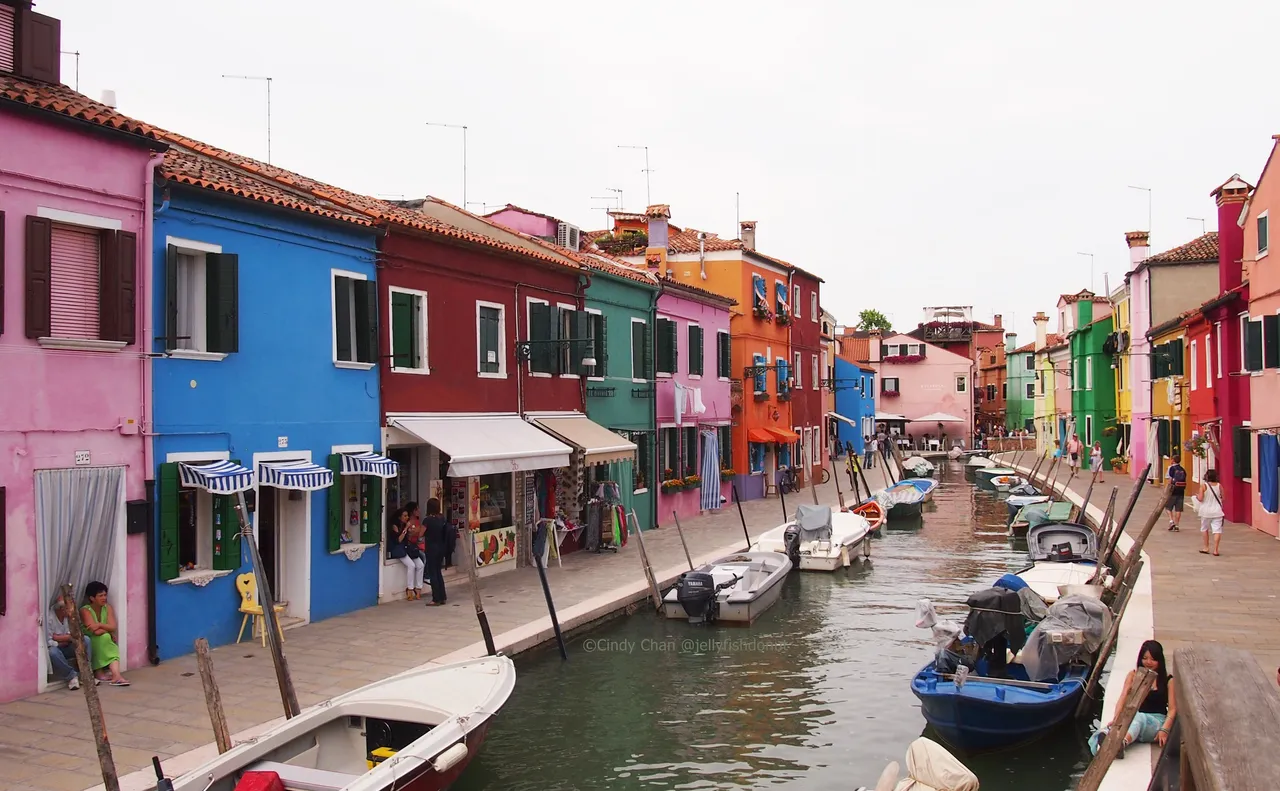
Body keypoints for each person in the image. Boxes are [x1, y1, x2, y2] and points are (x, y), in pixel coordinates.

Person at [1089, 640, 1176, 756]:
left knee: (1138, 718)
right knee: (1107, 729)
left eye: (1153, 659)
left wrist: (1164, 730)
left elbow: (1173, 709)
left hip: (1156, 722)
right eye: (1145, 658)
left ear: (1160, 660)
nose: (1148, 662)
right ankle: (1107, 741)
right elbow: (1123, 696)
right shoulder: (1133, 675)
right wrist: (1116, 719)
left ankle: (1121, 743)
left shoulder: (1168, 680)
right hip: (1133, 719)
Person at [80, 581, 128, 686]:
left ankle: (115, 675)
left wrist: (100, 625)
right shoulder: (85, 610)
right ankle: (110, 674)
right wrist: (108, 630)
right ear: (92, 598)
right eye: (100, 596)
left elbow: (113, 626)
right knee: (106, 637)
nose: (104, 598)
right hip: (89, 639)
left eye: (105, 595)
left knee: (106, 638)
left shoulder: (108, 608)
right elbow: (95, 632)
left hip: (102, 639)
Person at [47, 597, 94, 690]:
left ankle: (86, 673)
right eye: (69, 608)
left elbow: (75, 635)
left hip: (68, 645)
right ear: (62, 609)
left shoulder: (69, 617)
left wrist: (59, 637)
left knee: (86, 640)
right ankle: (72, 675)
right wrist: (59, 641)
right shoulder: (49, 618)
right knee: (52, 652)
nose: (71, 611)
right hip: (57, 647)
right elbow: (48, 640)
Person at [388, 506, 424, 600]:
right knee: (411, 565)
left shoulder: (406, 525)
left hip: (407, 548)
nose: (407, 517)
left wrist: (411, 531)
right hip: (398, 549)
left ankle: (419, 588)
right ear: (399, 517)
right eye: (404, 516)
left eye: (407, 515)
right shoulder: (394, 526)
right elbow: (399, 540)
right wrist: (406, 528)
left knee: (420, 565)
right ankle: (410, 589)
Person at [421, 499, 450, 606]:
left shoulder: (427, 520)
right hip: (441, 548)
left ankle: (436, 598)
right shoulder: (442, 518)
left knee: (433, 573)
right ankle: (443, 597)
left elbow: (420, 533)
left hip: (431, 548)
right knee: (438, 572)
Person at [1194, 469, 1225, 556]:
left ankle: (1206, 547)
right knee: (1217, 530)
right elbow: (1223, 498)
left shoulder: (1203, 486)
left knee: (1204, 529)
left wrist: (1196, 497)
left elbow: (1200, 498)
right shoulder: (1219, 486)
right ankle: (1215, 550)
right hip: (1217, 511)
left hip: (1205, 511)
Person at [1166, 458, 1187, 532]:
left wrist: (1167, 490)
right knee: (1178, 509)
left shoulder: (1171, 468)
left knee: (1168, 507)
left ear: (1173, 460)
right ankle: (1177, 525)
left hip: (1173, 490)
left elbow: (1170, 480)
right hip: (1181, 491)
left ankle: (1171, 521)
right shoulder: (1183, 469)